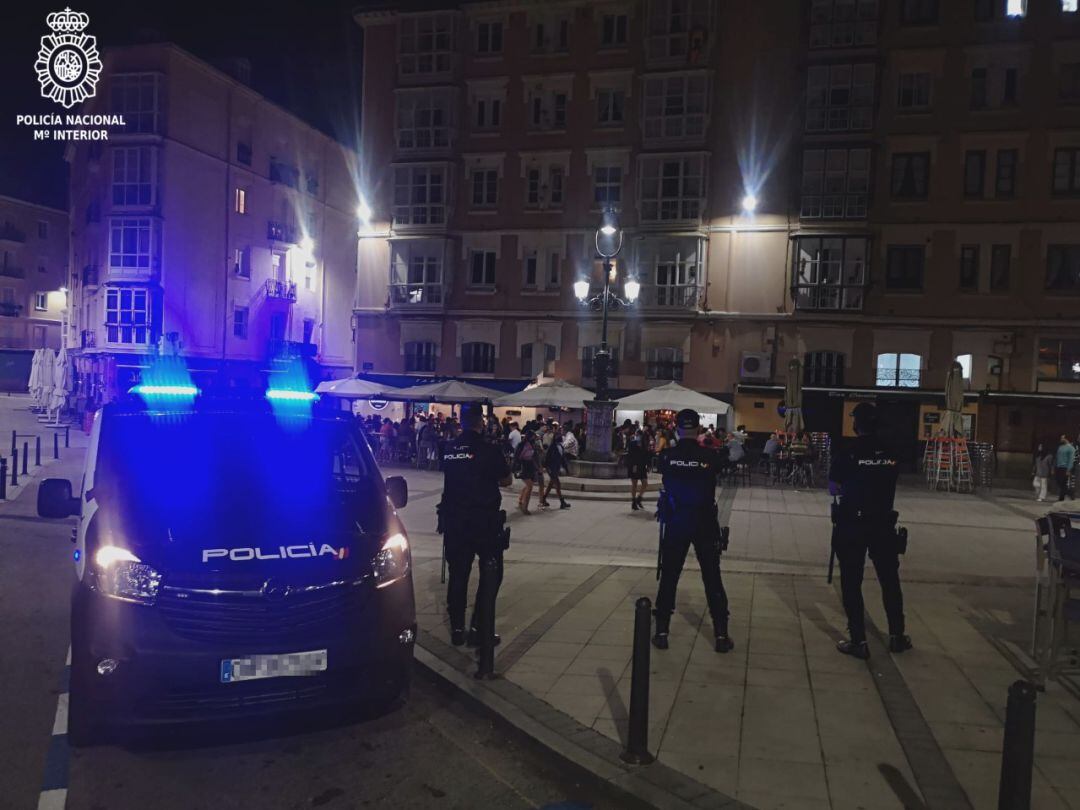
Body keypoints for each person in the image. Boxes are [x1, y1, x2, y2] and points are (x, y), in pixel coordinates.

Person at [828, 402, 911, 659]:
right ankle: (897, 635)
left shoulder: (849, 451)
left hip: (853, 522)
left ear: (856, 424)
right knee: (889, 581)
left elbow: (834, 487)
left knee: (852, 582)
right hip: (883, 522)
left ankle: (858, 640)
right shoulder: (892, 451)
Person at [653, 409, 734, 653]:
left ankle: (662, 631)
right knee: (712, 576)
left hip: (677, 520)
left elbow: (664, 475)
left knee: (669, 575)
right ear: (698, 429)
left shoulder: (667, 456)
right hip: (704, 521)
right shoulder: (710, 455)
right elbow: (730, 458)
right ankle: (720, 635)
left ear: (677, 429)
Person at [437, 403, 512, 648]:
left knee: (458, 575)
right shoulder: (489, 449)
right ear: (481, 422)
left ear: (461, 421)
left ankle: (458, 628)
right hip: (483, 521)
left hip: (455, 520)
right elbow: (506, 479)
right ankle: (480, 626)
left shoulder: (449, 448)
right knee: (491, 574)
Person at [539, 425, 572, 509]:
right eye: (558, 436)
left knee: (551, 484)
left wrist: (566, 468)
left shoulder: (560, 446)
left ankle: (543, 499)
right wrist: (545, 467)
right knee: (557, 484)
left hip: (556, 468)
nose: (560, 437)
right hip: (551, 468)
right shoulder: (552, 448)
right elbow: (547, 458)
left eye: (559, 435)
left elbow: (562, 459)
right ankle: (562, 502)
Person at [515, 429, 540, 514]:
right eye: (533, 437)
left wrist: (537, 467)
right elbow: (517, 457)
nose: (534, 438)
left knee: (529, 485)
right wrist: (516, 468)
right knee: (529, 486)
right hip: (523, 466)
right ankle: (525, 507)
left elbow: (533, 457)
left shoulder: (532, 445)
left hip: (529, 466)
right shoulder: (522, 445)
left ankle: (521, 500)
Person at [626, 430, 651, 511]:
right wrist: (632, 465)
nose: (638, 437)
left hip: (642, 466)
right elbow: (630, 455)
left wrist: (648, 465)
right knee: (634, 484)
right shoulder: (632, 443)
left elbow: (647, 455)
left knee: (645, 483)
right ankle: (633, 501)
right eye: (637, 435)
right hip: (634, 465)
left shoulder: (644, 444)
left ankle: (639, 498)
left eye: (639, 435)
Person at [1056, 434, 1076, 502]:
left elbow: (1071, 459)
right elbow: (1057, 457)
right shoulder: (1060, 447)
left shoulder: (1071, 448)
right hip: (1058, 467)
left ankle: (1063, 497)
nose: (1061, 439)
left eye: (1062, 438)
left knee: (1063, 483)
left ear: (1066, 439)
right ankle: (1068, 494)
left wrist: (1068, 469)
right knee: (1059, 483)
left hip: (1065, 468)